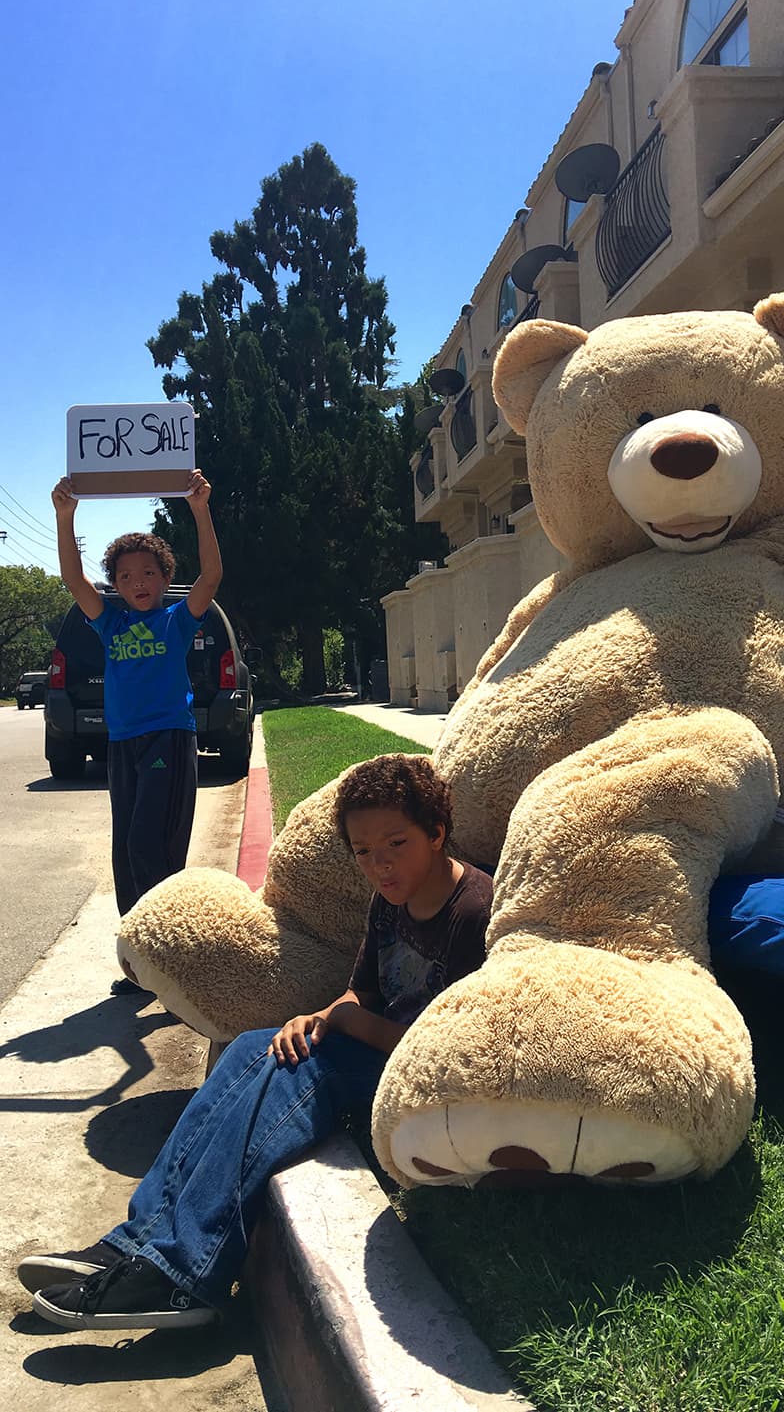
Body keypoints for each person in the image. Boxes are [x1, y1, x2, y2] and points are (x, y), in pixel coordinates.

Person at [17, 754, 493, 1331]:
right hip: (375, 1054)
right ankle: (135, 1241)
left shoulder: (472, 914)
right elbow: (359, 996)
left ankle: (182, 1275)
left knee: (308, 1069)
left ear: (437, 833)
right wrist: (318, 1016)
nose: (379, 865)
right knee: (254, 1048)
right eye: (363, 852)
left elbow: (450, 1054)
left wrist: (343, 1027)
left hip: (423, 1087)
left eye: (395, 844)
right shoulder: (389, 904)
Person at [51, 470, 223, 946]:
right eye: (125, 576)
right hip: (123, 743)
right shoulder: (110, 623)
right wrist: (66, 516)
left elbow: (211, 576)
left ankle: (169, 946)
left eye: (148, 572)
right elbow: (72, 578)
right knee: (124, 850)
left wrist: (199, 508)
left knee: (152, 843)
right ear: (116, 586)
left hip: (168, 737)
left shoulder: (178, 619)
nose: (138, 582)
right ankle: (139, 949)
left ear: (166, 577)